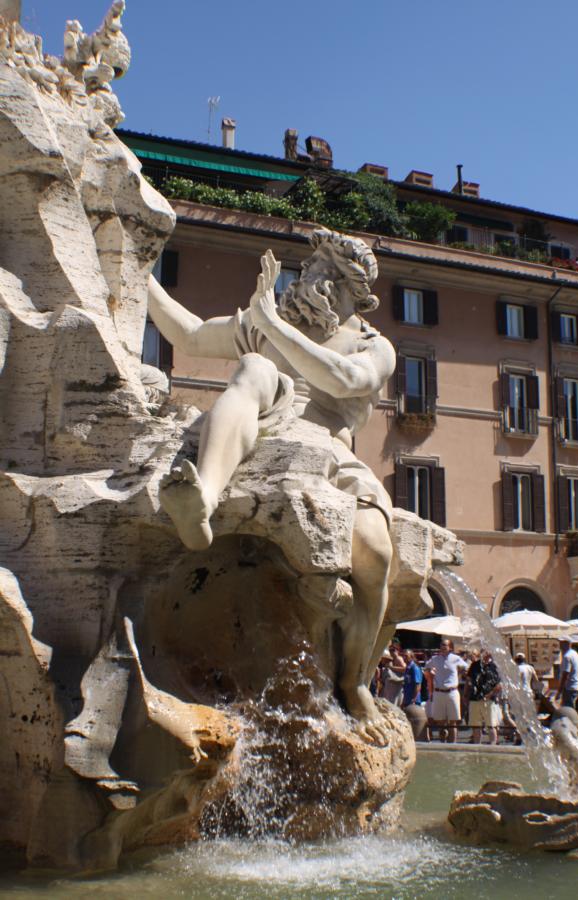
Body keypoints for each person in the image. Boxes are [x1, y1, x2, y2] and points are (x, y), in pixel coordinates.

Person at [147, 229, 397, 734]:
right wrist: (138, 269)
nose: (310, 277)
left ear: (354, 292)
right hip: (263, 423)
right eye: (310, 267)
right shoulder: (267, 325)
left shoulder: (373, 345)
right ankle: (203, 500)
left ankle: (356, 680)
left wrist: (271, 325)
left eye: (326, 272)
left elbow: (344, 382)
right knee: (256, 368)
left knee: (376, 552)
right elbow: (189, 335)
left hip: (329, 445)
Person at [424, 639, 469, 743]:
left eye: (445, 645)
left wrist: (460, 672)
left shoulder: (456, 658)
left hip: (452, 692)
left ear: (450, 647)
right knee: (440, 721)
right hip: (438, 692)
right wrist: (430, 673)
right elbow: (426, 668)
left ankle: (453, 744)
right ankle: (442, 742)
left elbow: (466, 668)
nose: (443, 647)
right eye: (441, 645)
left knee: (453, 721)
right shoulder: (435, 659)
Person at [466, 650, 502, 745]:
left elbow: (499, 685)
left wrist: (489, 695)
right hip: (475, 698)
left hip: (489, 700)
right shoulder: (474, 665)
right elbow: (468, 680)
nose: (484, 655)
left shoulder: (494, 666)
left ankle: (493, 745)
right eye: (482, 652)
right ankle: (477, 745)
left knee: (491, 725)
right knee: (476, 725)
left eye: (486, 652)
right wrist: (465, 695)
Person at [556, 637, 578, 708]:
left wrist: (559, 691)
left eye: (562, 643)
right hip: (574, 686)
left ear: (568, 644)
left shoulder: (567, 656)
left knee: (568, 711)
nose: (560, 645)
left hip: (568, 687)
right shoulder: (574, 654)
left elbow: (565, 674)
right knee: (571, 709)